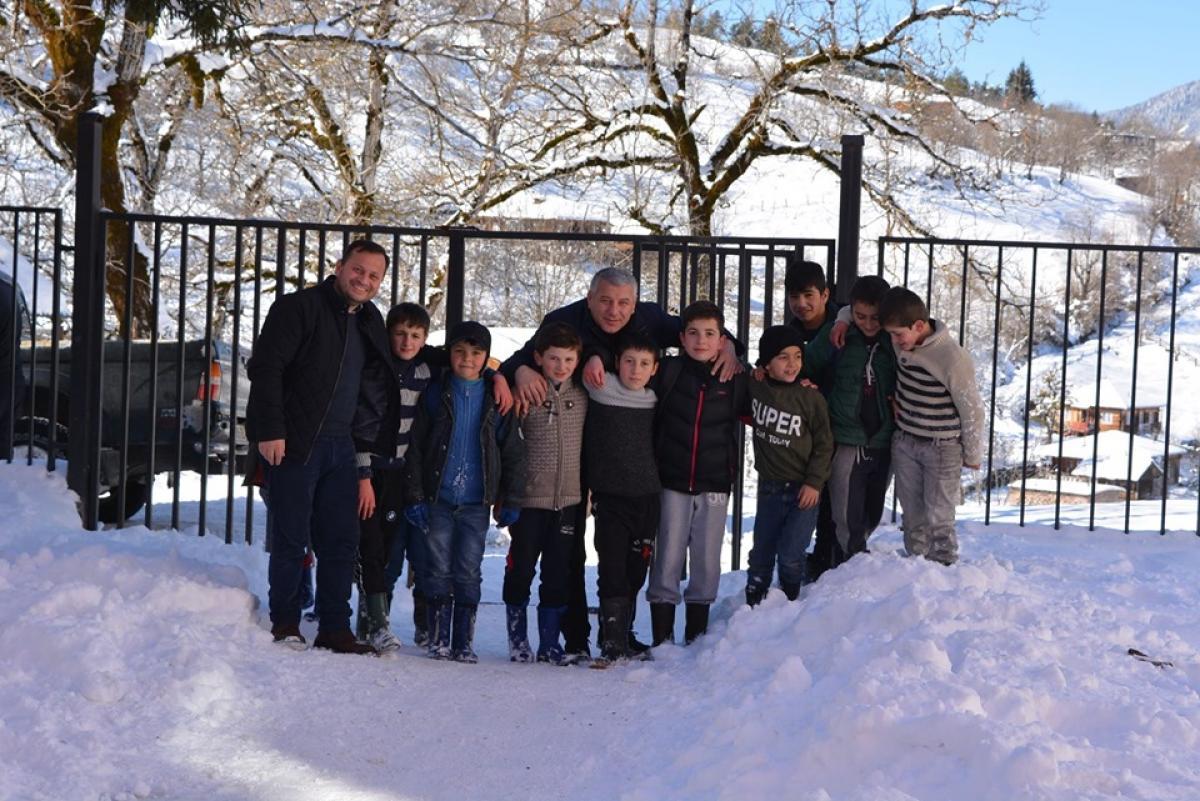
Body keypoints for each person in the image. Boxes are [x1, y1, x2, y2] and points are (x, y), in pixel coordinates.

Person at [503, 267, 744, 661]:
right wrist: (521, 370)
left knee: (626, 558)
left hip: (630, 461)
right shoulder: (564, 319)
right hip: (574, 446)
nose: (613, 311)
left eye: (623, 303)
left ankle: (619, 631)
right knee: (571, 553)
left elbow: (699, 330)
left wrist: (729, 347)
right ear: (589, 298)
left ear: (635, 305)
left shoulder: (650, 318)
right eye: (605, 301)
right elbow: (525, 356)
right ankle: (576, 638)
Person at [246, 239, 392, 655]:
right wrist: (270, 430)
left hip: (342, 446)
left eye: (373, 276)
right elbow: (266, 368)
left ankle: (335, 628)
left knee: (341, 541)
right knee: (292, 538)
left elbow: (384, 376)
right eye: (358, 269)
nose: (364, 280)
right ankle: (286, 622)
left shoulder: (370, 320)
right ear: (340, 266)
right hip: (295, 442)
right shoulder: (298, 308)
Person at [353, 303, 513, 653]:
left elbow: (468, 363)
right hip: (391, 477)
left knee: (440, 562)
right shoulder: (400, 375)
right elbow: (402, 438)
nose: (407, 341)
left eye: (415, 335)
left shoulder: (441, 376)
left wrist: (496, 375)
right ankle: (377, 624)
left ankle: (438, 632)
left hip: (447, 490)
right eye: (400, 333)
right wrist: (372, 476)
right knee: (388, 555)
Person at [403, 321, 525, 662]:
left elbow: (513, 452)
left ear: (487, 357)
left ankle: (463, 642)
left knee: (469, 570)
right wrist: (415, 495)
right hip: (438, 498)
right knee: (436, 568)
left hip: (476, 502)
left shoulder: (496, 400)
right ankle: (438, 638)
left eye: (476, 353)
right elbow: (415, 447)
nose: (467, 359)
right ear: (449, 354)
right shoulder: (435, 395)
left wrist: (511, 497)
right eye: (459, 351)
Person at [646, 300, 748, 646]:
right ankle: (662, 639)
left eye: (709, 334)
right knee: (667, 557)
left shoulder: (735, 378)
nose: (701, 341)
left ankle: (696, 637)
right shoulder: (667, 372)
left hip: (715, 482)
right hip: (671, 481)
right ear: (681, 338)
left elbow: (770, 399)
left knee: (706, 561)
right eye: (693, 333)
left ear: (722, 340)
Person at [877, 287, 983, 566]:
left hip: (942, 448)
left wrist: (972, 453)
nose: (894, 341)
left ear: (919, 326)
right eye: (891, 335)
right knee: (912, 513)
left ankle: (943, 566)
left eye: (898, 334)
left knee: (939, 515)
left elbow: (971, 408)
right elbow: (852, 310)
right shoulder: (903, 341)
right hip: (905, 440)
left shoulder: (952, 358)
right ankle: (916, 565)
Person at [502, 322, 588, 665]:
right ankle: (518, 637)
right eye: (554, 358)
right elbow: (508, 447)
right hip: (529, 500)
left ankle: (550, 642)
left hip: (568, 501)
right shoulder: (526, 392)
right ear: (538, 358)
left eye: (568, 359)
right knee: (521, 568)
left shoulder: (583, 395)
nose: (561, 366)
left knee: (557, 573)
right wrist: (506, 495)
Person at [803, 276, 897, 565]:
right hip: (845, 436)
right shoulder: (839, 334)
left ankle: (857, 552)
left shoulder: (894, 339)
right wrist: (803, 382)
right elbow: (807, 361)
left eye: (875, 318)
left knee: (873, 507)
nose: (867, 324)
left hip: (883, 437)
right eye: (860, 316)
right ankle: (850, 561)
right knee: (845, 508)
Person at [583, 331, 661, 663]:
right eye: (629, 361)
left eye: (644, 364)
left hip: (647, 498)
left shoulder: (655, 399)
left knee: (635, 571)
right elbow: (577, 349)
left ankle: (621, 633)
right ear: (617, 362)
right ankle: (611, 642)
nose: (635, 370)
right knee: (612, 568)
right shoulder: (599, 388)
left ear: (654, 369)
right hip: (610, 498)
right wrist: (595, 356)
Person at [744, 325, 834, 606]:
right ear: (767, 364)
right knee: (762, 551)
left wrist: (814, 483)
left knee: (791, 552)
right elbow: (738, 370)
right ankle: (754, 600)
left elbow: (824, 444)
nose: (792, 364)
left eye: (797, 356)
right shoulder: (757, 386)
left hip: (803, 491)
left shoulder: (810, 398)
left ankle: (790, 601)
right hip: (770, 488)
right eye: (783, 357)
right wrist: (755, 373)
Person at [782, 256, 842, 580]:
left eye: (809, 295)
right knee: (806, 500)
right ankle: (807, 562)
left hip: (842, 428)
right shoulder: (787, 335)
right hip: (803, 435)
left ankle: (832, 559)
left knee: (838, 502)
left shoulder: (844, 325)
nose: (801, 304)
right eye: (795, 296)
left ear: (825, 294)